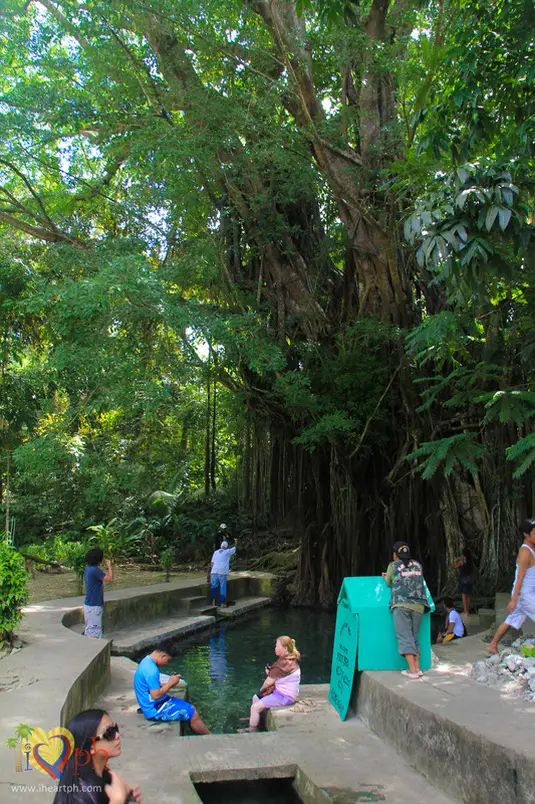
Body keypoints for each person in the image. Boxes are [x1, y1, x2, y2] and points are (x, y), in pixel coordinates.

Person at [53, 708, 142, 804]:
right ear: (90, 747)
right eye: (109, 732)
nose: (117, 735)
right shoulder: (80, 795)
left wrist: (125, 797)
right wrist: (118, 800)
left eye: (115, 728)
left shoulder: (102, 776)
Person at [133, 640, 210, 733]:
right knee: (192, 712)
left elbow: (150, 685)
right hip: (154, 710)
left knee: (189, 707)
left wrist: (171, 683)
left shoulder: (146, 661)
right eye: (168, 660)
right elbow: (156, 695)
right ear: (163, 656)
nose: (167, 663)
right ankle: (211, 737)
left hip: (148, 704)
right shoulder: (152, 670)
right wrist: (170, 683)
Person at [382, 541, 432, 679]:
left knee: (404, 636)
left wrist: (386, 577)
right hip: (420, 605)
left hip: (402, 604)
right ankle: (418, 668)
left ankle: (412, 671)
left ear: (395, 554)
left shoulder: (393, 565)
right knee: (413, 636)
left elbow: (389, 582)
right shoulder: (417, 564)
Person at [488, 519, 535, 655]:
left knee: (510, 620)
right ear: (526, 534)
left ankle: (493, 645)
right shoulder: (525, 552)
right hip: (525, 595)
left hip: (524, 595)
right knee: (511, 619)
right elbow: (519, 577)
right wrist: (513, 600)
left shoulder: (532, 550)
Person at [238, 635, 301, 733]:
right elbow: (281, 676)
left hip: (284, 697)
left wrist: (261, 689)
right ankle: (254, 718)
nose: (275, 648)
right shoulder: (290, 659)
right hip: (283, 692)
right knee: (256, 697)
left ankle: (252, 729)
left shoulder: (283, 664)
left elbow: (268, 682)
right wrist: (271, 673)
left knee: (255, 707)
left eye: (277, 646)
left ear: (284, 648)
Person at [84, 548, 113, 639]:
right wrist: (109, 566)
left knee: (90, 630)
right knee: (94, 633)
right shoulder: (95, 570)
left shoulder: (88, 569)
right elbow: (109, 579)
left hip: (89, 604)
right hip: (94, 605)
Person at [210, 529, 238, 607]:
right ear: (226, 547)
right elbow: (235, 548)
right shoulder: (227, 552)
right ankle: (222, 603)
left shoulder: (215, 552)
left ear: (221, 546)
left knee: (214, 586)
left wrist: (211, 572)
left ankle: (213, 602)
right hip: (222, 572)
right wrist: (236, 541)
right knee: (222, 587)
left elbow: (212, 563)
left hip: (214, 571)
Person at [455, 547, 475, 617]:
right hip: (470, 580)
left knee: (464, 596)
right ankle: (467, 611)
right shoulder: (470, 561)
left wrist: (457, 559)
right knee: (469, 595)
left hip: (463, 581)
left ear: (464, 555)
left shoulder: (462, 562)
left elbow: (455, 566)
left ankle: (465, 612)